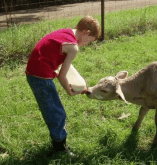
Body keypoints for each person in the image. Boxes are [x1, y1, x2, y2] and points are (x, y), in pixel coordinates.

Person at [25, 16, 100, 156]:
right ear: (86, 33)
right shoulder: (73, 48)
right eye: (90, 41)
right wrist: (70, 91)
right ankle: (60, 149)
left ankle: (57, 144)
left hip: (35, 71)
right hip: (40, 76)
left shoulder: (67, 32)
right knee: (57, 113)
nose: (87, 44)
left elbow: (55, 58)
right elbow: (62, 75)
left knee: (52, 110)